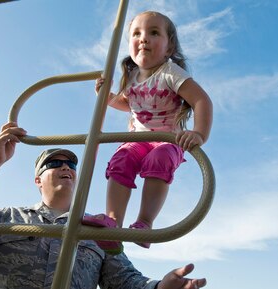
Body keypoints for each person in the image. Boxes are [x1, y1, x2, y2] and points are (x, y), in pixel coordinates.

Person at [0, 122, 207, 289]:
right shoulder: (7, 218)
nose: (66, 167)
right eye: (54, 163)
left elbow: (125, 283)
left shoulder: (96, 230)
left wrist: (160, 287)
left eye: (71, 164)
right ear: (38, 179)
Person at [83, 10, 213, 252]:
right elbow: (129, 104)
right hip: (138, 138)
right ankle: (113, 222)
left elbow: (202, 100)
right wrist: (110, 98)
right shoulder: (131, 76)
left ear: (169, 47)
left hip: (166, 140)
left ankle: (144, 223)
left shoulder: (170, 72)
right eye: (136, 33)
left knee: (159, 158)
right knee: (121, 158)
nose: (143, 38)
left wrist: (199, 134)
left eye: (153, 33)